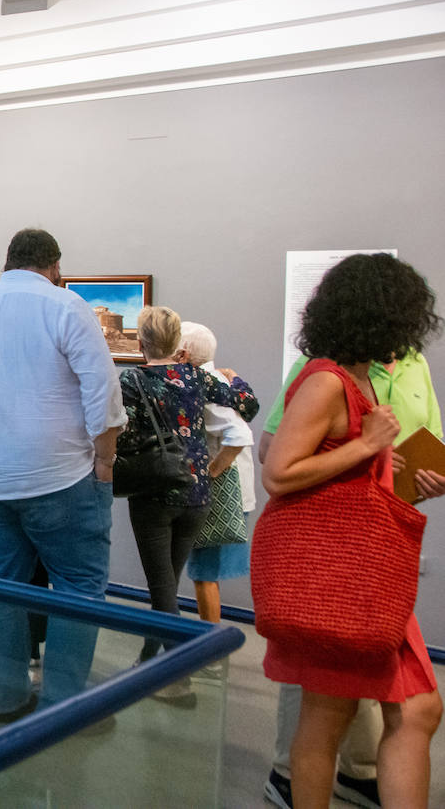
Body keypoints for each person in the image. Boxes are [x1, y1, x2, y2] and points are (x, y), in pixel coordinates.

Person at [258, 253, 443, 809]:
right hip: (341, 569)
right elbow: (279, 473)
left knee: (412, 709)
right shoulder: (328, 381)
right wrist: (368, 445)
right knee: (328, 717)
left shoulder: (353, 377)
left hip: (364, 566)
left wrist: (393, 464)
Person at [0, 228, 124, 726]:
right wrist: (104, 462)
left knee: (3, 583)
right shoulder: (65, 307)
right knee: (78, 586)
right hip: (60, 476)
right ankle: (61, 709)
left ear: (9, 261)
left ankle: (8, 699)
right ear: (55, 265)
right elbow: (103, 394)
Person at [116, 307, 257, 707]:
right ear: (177, 345)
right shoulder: (195, 375)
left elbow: (118, 429)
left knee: (162, 591)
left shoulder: (132, 379)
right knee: (168, 585)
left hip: (153, 496)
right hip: (196, 496)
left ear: (141, 344)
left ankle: (175, 680)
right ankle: (148, 661)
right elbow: (248, 404)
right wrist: (234, 378)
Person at [176, 322, 257, 627]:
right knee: (205, 571)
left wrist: (210, 473)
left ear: (183, 353)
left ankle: (208, 648)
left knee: (204, 574)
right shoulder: (223, 380)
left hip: (219, 493)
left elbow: (239, 434)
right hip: (235, 488)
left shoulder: (203, 386)